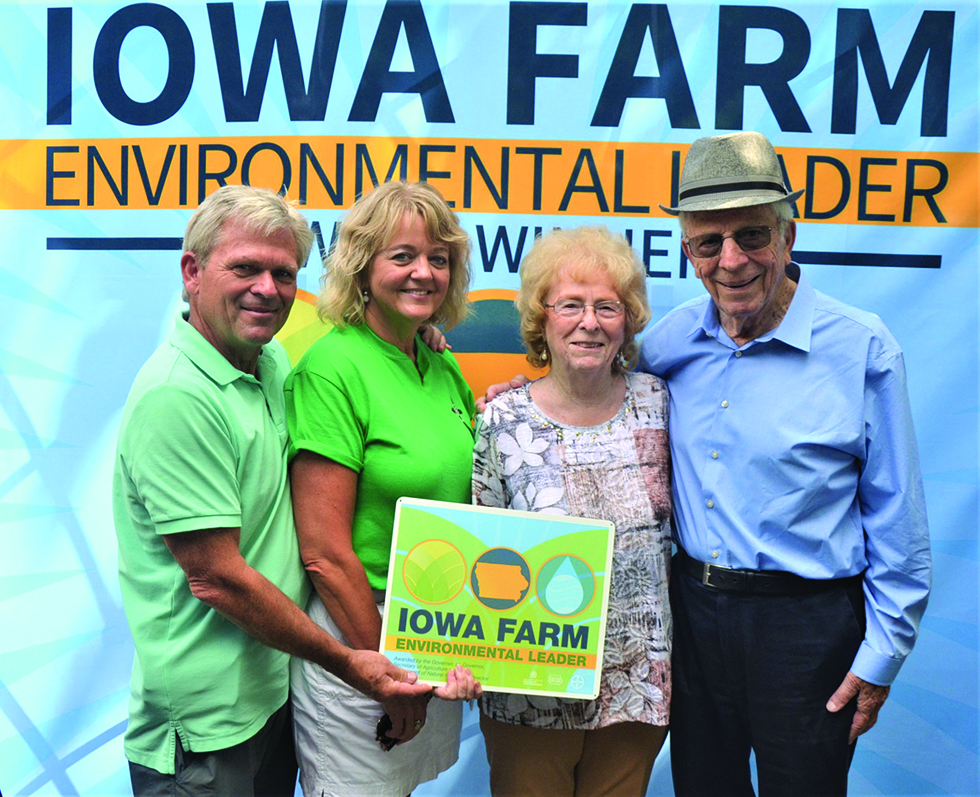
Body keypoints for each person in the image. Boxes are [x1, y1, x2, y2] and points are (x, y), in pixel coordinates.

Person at [483, 132, 931, 796]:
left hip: (807, 627)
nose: (731, 260)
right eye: (708, 243)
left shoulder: (862, 348)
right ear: (688, 251)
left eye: (751, 236)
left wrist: (881, 657)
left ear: (787, 236)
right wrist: (525, 397)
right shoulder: (672, 341)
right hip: (693, 619)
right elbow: (593, 388)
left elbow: (899, 519)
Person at [113, 185, 434, 796]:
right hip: (206, 727)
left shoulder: (270, 361)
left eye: (284, 273)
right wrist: (349, 662)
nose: (267, 288)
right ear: (192, 272)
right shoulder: (177, 396)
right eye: (245, 268)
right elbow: (218, 578)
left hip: (271, 697)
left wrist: (421, 341)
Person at [284, 180, 482, 797]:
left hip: (431, 629)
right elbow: (324, 552)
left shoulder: (441, 363)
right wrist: (390, 676)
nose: (423, 272)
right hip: (360, 642)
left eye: (438, 259)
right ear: (363, 267)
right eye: (402, 256)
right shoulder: (332, 369)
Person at [473, 226, 671, 797]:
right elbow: (481, 550)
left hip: (638, 681)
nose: (590, 322)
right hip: (531, 689)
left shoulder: (661, 403)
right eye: (570, 305)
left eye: (607, 307)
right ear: (542, 320)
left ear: (628, 320)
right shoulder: (502, 418)